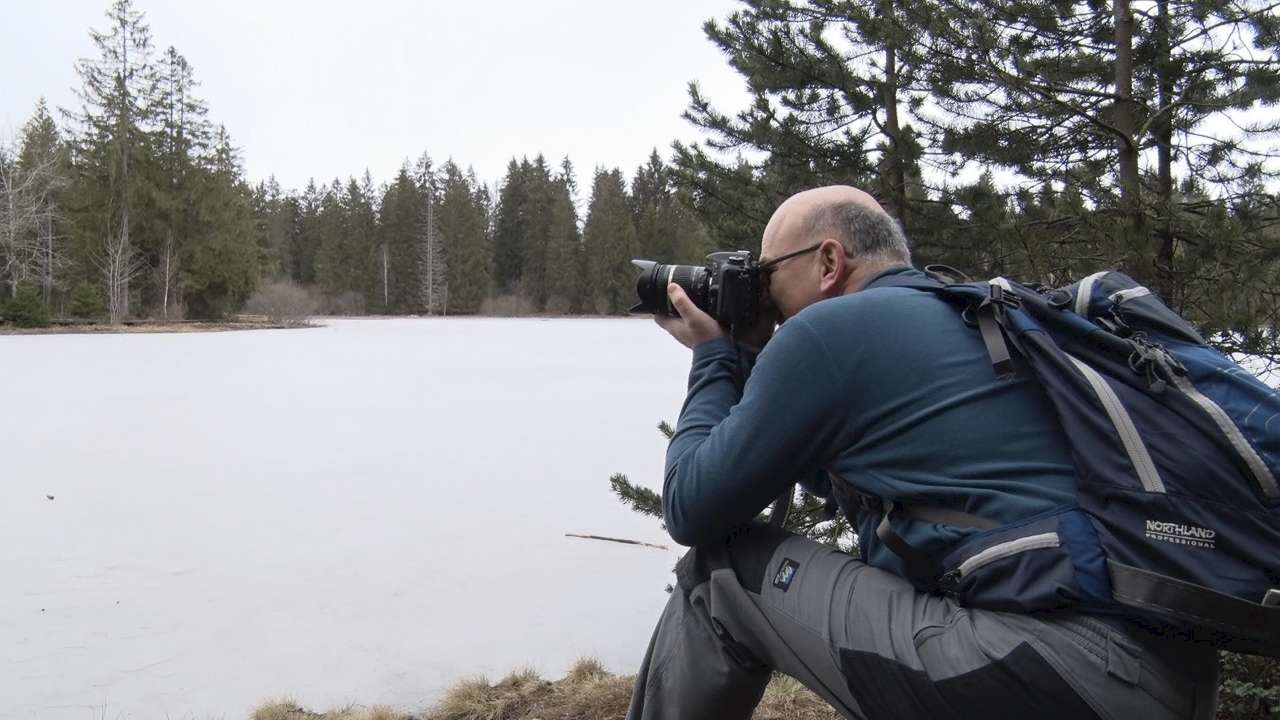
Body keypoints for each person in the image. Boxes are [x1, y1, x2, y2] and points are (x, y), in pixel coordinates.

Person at [625, 186, 1219, 720]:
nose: (765, 297)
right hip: (1163, 674)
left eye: (768, 274)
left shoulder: (827, 333)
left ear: (828, 262)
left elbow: (691, 509)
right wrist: (752, 361)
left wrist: (714, 359)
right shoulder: (970, 316)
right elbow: (848, 482)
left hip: (1052, 667)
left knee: (720, 574)